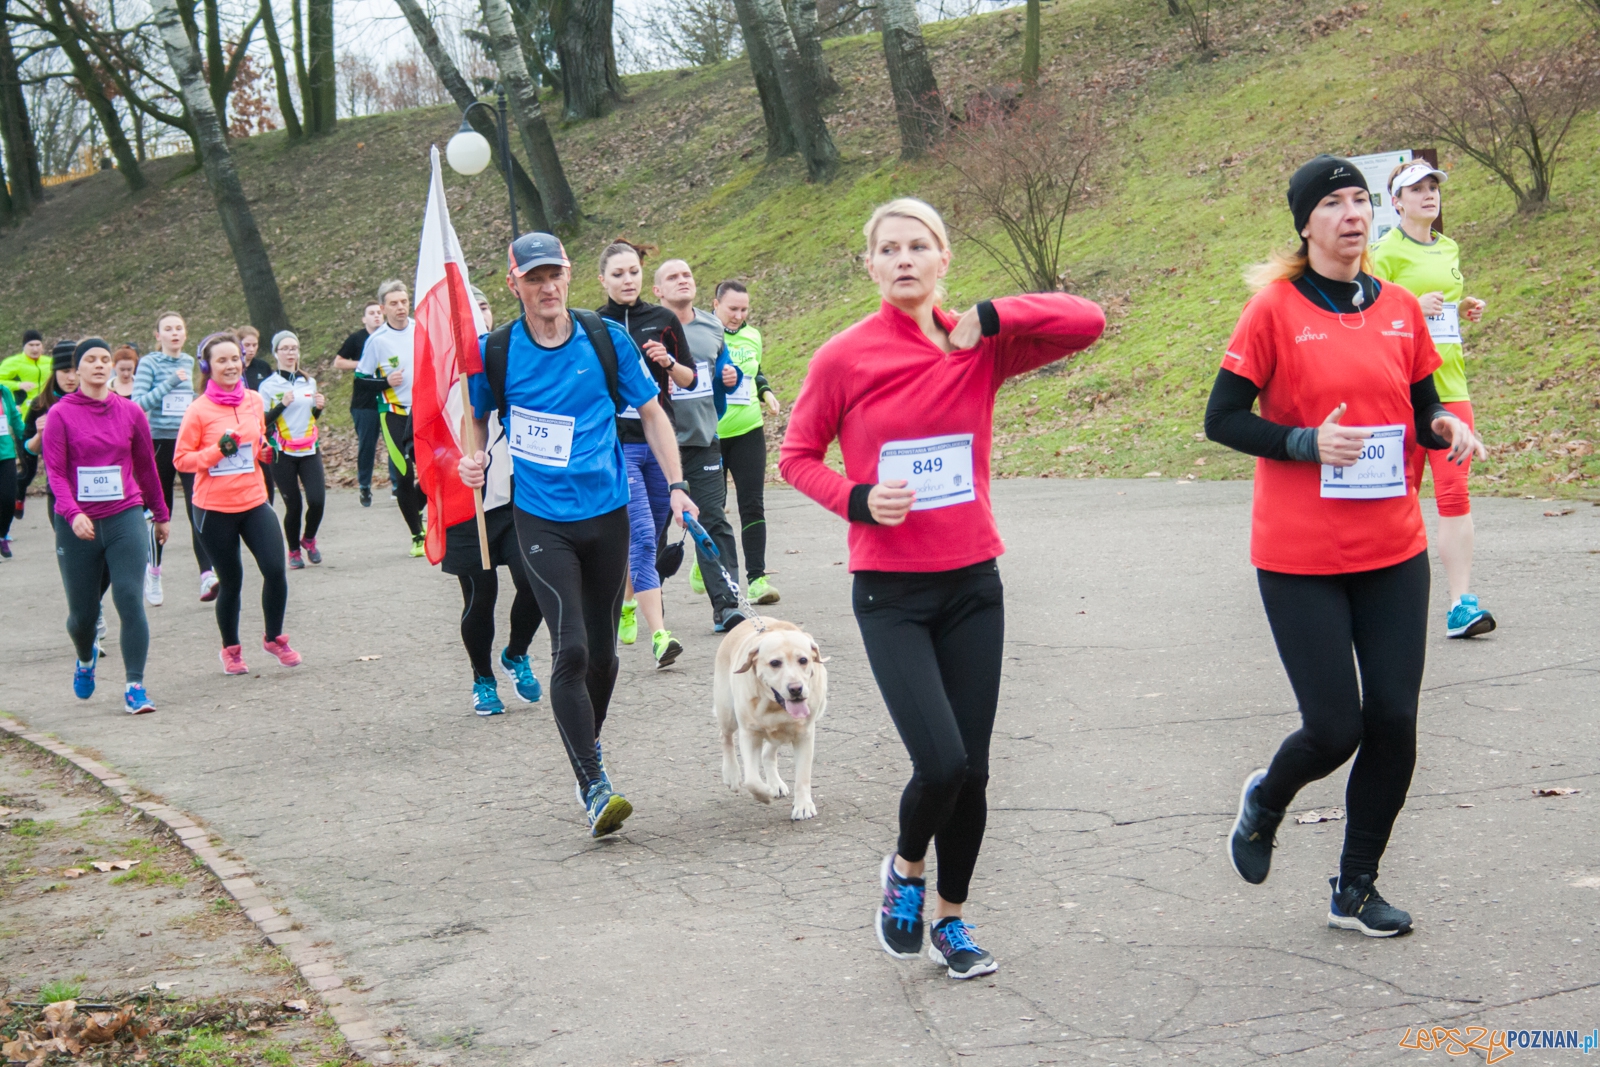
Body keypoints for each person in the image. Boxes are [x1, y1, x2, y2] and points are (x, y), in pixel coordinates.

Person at [780, 197, 1106, 980]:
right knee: (942, 762)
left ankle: (952, 920)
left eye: (918, 246)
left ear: (943, 258)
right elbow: (795, 454)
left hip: (972, 585)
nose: (903, 259)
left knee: (977, 768)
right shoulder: (844, 356)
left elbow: (1086, 321)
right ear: (868, 266)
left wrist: (991, 316)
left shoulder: (978, 345)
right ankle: (905, 871)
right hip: (891, 593)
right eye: (887, 248)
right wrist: (858, 499)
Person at [1206, 156, 1486, 939]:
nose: (1351, 213)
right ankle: (1266, 797)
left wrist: (1445, 427)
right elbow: (1222, 417)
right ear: (1305, 222)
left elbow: (1423, 399)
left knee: (1394, 719)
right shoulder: (1273, 309)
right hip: (1299, 555)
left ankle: (1355, 887)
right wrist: (1301, 440)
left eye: (1360, 199)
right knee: (1336, 727)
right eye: (1332, 202)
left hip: (1392, 545)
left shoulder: (1398, 305)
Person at [458, 232, 698, 839]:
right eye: (533, 278)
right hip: (541, 519)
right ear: (515, 284)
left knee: (605, 656)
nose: (546, 287)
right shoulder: (500, 351)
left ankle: (583, 750)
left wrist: (676, 483)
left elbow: (650, 412)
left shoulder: (604, 339)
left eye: (554, 275)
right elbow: (475, 414)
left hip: (608, 513)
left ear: (568, 277)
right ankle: (594, 783)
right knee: (571, 649)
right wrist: (473, 456)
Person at [1371, 162, 1494, 639]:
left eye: (1432, 188)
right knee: (1395, 497)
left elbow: (1444, 308)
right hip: (1399, 389)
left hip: (1451, 386)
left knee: (1454, 492)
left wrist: (1465, 307)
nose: (1428, 195)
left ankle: (1461, 605)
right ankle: (1380, 603)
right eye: (1415, 190)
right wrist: (1407, 307)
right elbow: (1367, 314)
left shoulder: (1449, 248)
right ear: (1396, 202)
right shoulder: (1382, 253)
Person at [40, 338, 169, 713]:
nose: (99, 365)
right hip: (77, 524)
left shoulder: (130, 413)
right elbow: (56, 475)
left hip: (124, 515)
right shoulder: (62, 415)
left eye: (104, 359)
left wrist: (160, 515)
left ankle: (134, 687)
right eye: (90, 360)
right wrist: (73, 512)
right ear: (75, 370)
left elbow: (146, 468)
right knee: (82, 616)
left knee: (129, 597)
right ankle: (85, 658)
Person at [174, 332, 299, 675]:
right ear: (207, 367)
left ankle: (274, 637)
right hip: (214, 509)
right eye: (222, 360)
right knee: (232, 581)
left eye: (235, 359)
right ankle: (231, 650)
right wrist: (218, 452)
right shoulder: (198, 410)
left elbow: (256, 438)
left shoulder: (254, 401)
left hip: (254, 500)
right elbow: (181, 460)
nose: (231, 366)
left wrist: (262, 451)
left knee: (275, 569)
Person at [596, 238, 695, 668]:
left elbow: (690, 379)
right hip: (618, 445)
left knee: (652, 536)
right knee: (638, 533)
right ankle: (661, 635)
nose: (627, 280)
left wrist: (668, 362)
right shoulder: (592, 325)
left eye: (633, 272)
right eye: (618, 274)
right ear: (603, 280)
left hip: (660, 444)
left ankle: (630, 600)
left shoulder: (663, 319)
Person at [653, 258, 746, 632]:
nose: (682, 281)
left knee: (713, 522)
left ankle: (728, 605)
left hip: (703, 441)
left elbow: (720, 381)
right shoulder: (648, 326)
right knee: (650, 530)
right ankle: (646, 606)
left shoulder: (712, 326)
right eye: (672, 277)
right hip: (657, 447)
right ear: (658, 290)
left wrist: (731, 376)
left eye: (687, 275)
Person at [131, 310, 215, 606]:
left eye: (179, 328)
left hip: (187, 443)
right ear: (158, 335)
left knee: (199, 504)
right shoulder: (149, 363)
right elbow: (137, 405)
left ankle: (207, 573)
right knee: (160, 510)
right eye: (168, 329)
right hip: (157, 444)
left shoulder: (189, 361)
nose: (175, 333)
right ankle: (153, 571)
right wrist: (167, 384)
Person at [711, 279, 781, 606]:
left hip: (749, 429)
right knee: (713, 509)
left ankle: (757, 579)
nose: (739, 315)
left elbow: (756, 370)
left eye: (744, 309)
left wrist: (766, 393)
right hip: (710, 434)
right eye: (732, 309)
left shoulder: (753, 336)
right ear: (716, 304)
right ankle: (709, 566)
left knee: (752, 503)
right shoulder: (702, 333)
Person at [359, 280, 426, 556]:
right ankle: (417, 535)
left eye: (404, 301)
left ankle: (413, 505)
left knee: (434, 468)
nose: (400, 307)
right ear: (383, 308)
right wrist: (385, 382)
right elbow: (361, 381)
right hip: (394, 414)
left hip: (424, 412)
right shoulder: (377, 341)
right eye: (394, 303)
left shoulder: (421, 329)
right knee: (403, 474)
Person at [258, 331, 327, 569]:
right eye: (285, 349)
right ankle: (294, 551)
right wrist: (282, 404)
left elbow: (311, 417)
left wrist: (318, 409)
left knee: (317, 500)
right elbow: (263, 421)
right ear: (276, 353)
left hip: (309, 449)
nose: (290, 353)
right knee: (294, 505)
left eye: (294, 348)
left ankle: (308, 539)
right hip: (283, 453)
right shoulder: (267, 386)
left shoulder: (308, 382)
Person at [334, 301, 387, 507]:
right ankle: (364, 485)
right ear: (364, 318)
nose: (376, 316)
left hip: (388, 398)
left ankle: (397, 485)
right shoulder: (357, 339)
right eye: (371, 313)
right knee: (367, 445)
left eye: (378, 313)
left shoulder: (388, 338)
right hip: (363, 403)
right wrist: (363, 364)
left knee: (395, 443)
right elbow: (338, 362)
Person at [0, 367, 25, 558]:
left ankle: (2, 534)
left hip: (5, 453)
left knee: (9, 499)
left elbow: (16, 421)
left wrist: (30, 439)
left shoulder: (4, 392)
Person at [0, 330, 49, 404]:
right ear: (24, 346)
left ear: (42, 346)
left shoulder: (50, 362)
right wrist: (18, 385)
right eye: (31, 345)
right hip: (22, 410)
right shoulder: (13, 362)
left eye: (37, 345)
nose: (35, 349)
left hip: (46, 408)